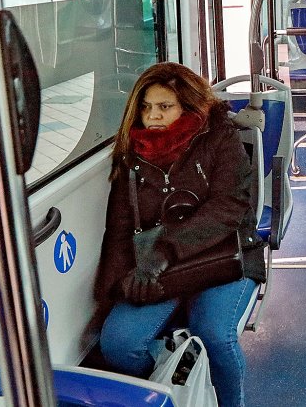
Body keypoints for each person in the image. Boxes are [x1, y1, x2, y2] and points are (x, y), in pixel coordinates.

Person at [95, 62, 265, 407]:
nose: (152, 117)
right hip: (164, 268)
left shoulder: (219, 137)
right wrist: (115, 285)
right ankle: (183, 373)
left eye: (164, 107)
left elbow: (228, 208)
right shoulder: (133, 154)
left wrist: (165, 251)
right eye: (145, 108)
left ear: (187, 107)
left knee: (215, 335)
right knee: (118, 345)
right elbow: (120, 226)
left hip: (222, 257)